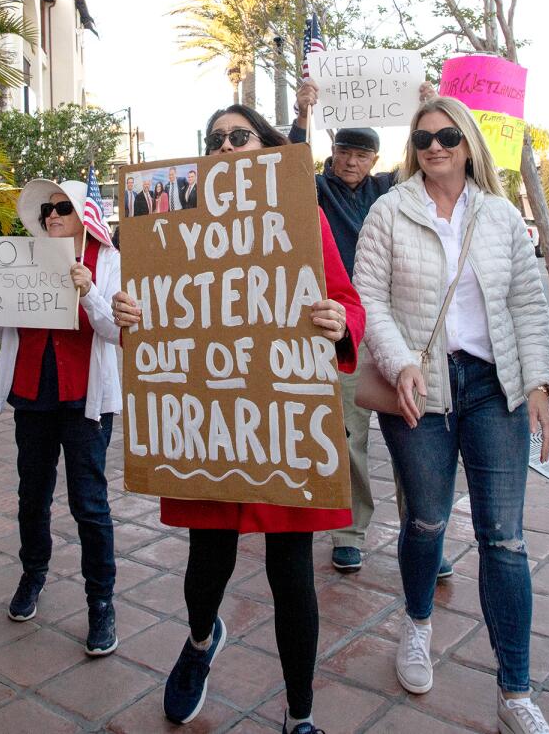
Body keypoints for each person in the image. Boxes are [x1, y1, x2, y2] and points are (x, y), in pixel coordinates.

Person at [112, 105, 366, 734]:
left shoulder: (300, 216)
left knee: (291, 577)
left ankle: (301, 714)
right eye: (214, 139)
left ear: (267, 148)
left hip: (282, 421)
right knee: (207, 566)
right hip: (209, 428)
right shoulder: (172, 221)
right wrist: (130, 315)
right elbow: (158, 306)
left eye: (238, 137)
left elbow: (348, 300)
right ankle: (201, 641)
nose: (224, 147)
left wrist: (339, 320)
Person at [353, 96, 549, 733]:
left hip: (495, 388)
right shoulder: (390, 210)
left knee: (505, 538)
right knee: (427, 520)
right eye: (423, 138)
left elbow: (528, 303)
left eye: (446, 136)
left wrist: (541, 384)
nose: (434, 146)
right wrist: (399, 360)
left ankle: (515, 691)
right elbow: (370, 300)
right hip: (421, 388)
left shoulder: (497, 216)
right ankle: (416, 625)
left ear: (468, 143)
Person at [290, 79, 453, 578]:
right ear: (332, 151)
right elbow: (290, 168)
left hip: (399, 330)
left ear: (376, 158)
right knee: (346, 438)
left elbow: (428, 158)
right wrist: (303, 115)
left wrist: (426, 106)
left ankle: (424, 533)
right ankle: (350, 532)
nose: (351, 161)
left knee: (415, 432)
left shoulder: (393, 191)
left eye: (362, 154)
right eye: (343, 151)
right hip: (343, 331)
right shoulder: (315, 190)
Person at [0, 179, 122, 656]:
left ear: (82, 215)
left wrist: (89, 291)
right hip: (32, 393)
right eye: (47, 209)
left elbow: (117, 332)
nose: (52, 216)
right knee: (32, 495)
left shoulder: (108, 263)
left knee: (89, 504)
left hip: (84, 398)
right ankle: (33, 575)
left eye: (62, 208)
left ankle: (101, 602)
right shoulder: (21, 258)